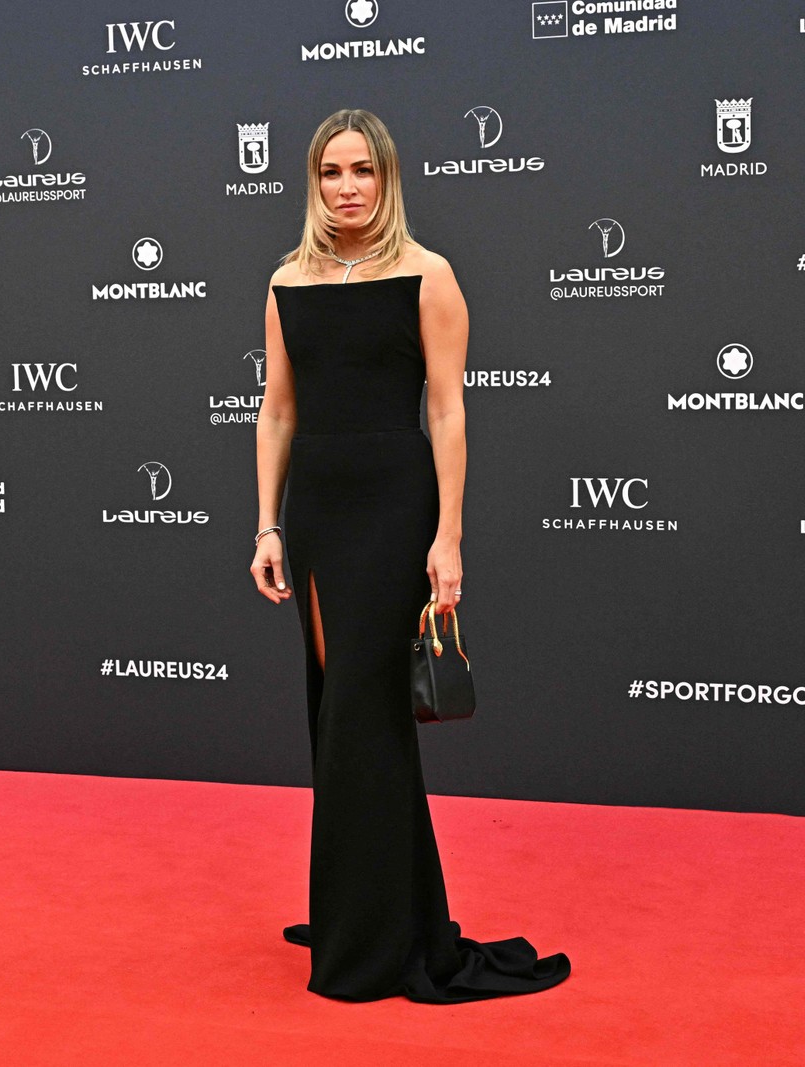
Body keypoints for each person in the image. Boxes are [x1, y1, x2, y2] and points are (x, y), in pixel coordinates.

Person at [248, 108, 572, 1003]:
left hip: (394, 510)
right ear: (312, 183)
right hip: (316, 512)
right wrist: (268, 525)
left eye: (362, 170)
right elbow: (278, 411)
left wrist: (449, 534)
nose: (346, 187)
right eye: (329, 172)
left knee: (368, 713)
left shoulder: (428, 276)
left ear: (388, 178)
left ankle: (385, 933)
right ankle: (364, 909)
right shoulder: (287, 282)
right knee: (335, 717)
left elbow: (448, 411)